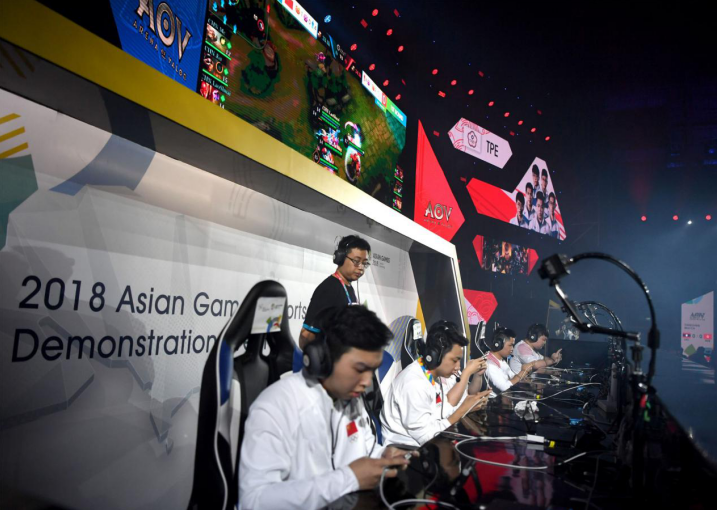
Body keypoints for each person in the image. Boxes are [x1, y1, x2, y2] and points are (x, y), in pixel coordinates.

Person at [239, 305, 411, 510]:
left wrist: (382, 456)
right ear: (324, 358)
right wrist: (348, 478)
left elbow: (365, 448)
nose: (367, 382)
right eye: (360, 369)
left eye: (372, 370)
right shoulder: (277, 406)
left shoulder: (351, 399)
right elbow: (254, 501)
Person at [380, 321, 491, 447]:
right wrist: (462, 411)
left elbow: (441, 412)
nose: (458, 367)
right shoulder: (414, 384)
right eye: (454, 360)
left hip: (425, 440)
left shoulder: (432, 374)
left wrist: (468, 405)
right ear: (435, 356)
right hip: (406, 449)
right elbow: (426, 437)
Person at [296, 235, 371, 359]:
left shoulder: (349, 287)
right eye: (356, 261)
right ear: (340, 258)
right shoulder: (329, 289)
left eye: (364, 263)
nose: (361, 268)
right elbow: (305, 337)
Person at [484, 328, 534, 393]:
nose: (512, 349)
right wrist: (523, 371)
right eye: (510, 345)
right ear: (498, 344)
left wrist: (525, 377)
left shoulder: (501, 361)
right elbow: (505, 388)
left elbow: (512, 377)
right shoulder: (489, 364)